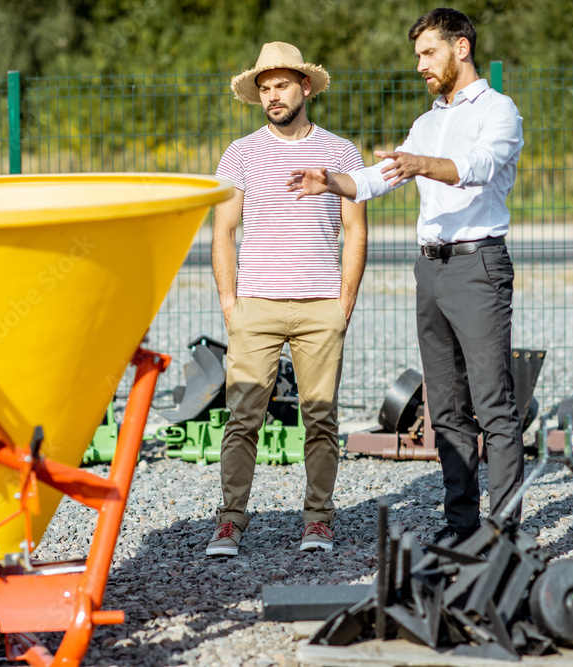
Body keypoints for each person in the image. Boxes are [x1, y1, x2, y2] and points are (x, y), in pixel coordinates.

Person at [288, 8, 525, 544]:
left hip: (478, 266)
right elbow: (376, 178)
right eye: (417, 54)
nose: (420, 64)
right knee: (446, 407)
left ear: (460, 48)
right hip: (431, 271)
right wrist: (330, 181)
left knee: (494, 405)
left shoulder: (498, 110)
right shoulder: (426, 122)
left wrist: (422, 164)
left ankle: (505, 534)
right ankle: (462, 526)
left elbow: (480, 167)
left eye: (428, 52)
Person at [206, 41, 367, 557]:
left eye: (281, 85)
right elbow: (223, 231)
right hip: (256, 304)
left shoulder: (342, 152)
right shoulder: (241, 152)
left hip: (322, 306)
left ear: (304, 87)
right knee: (242, 417)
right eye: (264, 88)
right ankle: (231, 520)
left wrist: (344, 303)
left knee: (321, 419)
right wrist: (231, 304)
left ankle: (317, 520)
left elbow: (356, 231)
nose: (273, 96)